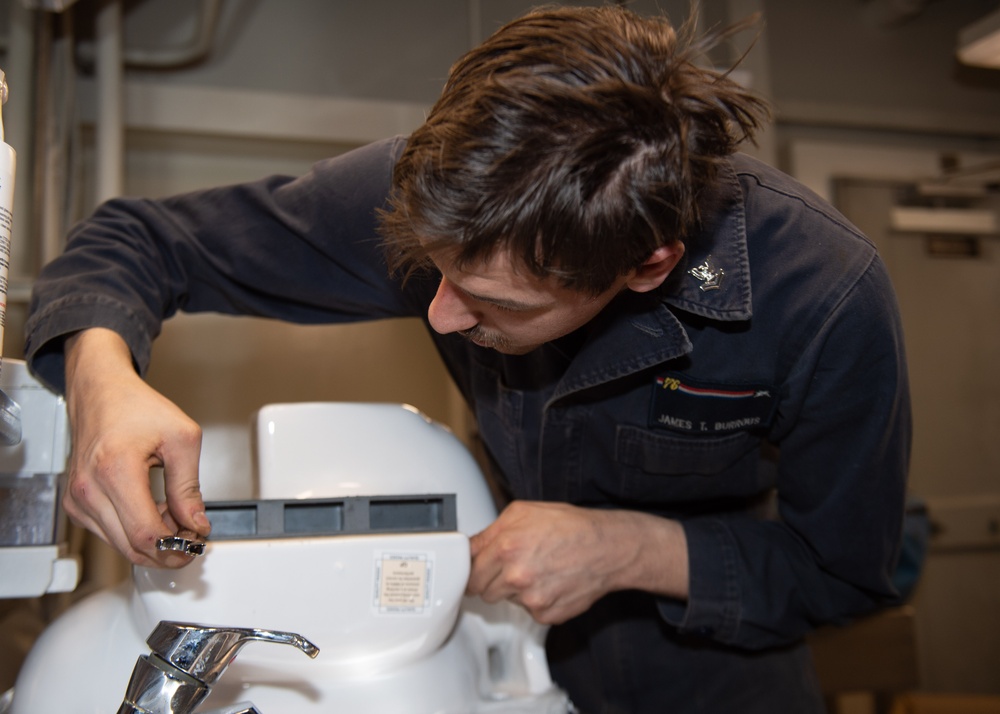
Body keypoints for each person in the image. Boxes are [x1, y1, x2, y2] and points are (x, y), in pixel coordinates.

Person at [24, 5, 911, 713]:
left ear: (648, 265)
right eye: (432, 274)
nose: (443, 318)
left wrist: (631, 549)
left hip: (715, 667)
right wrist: (103, 382)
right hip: (492, 638)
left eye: (496, 306)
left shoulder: (822, 297)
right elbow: (137, 239)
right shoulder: (438, 191)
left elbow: (845, 572)